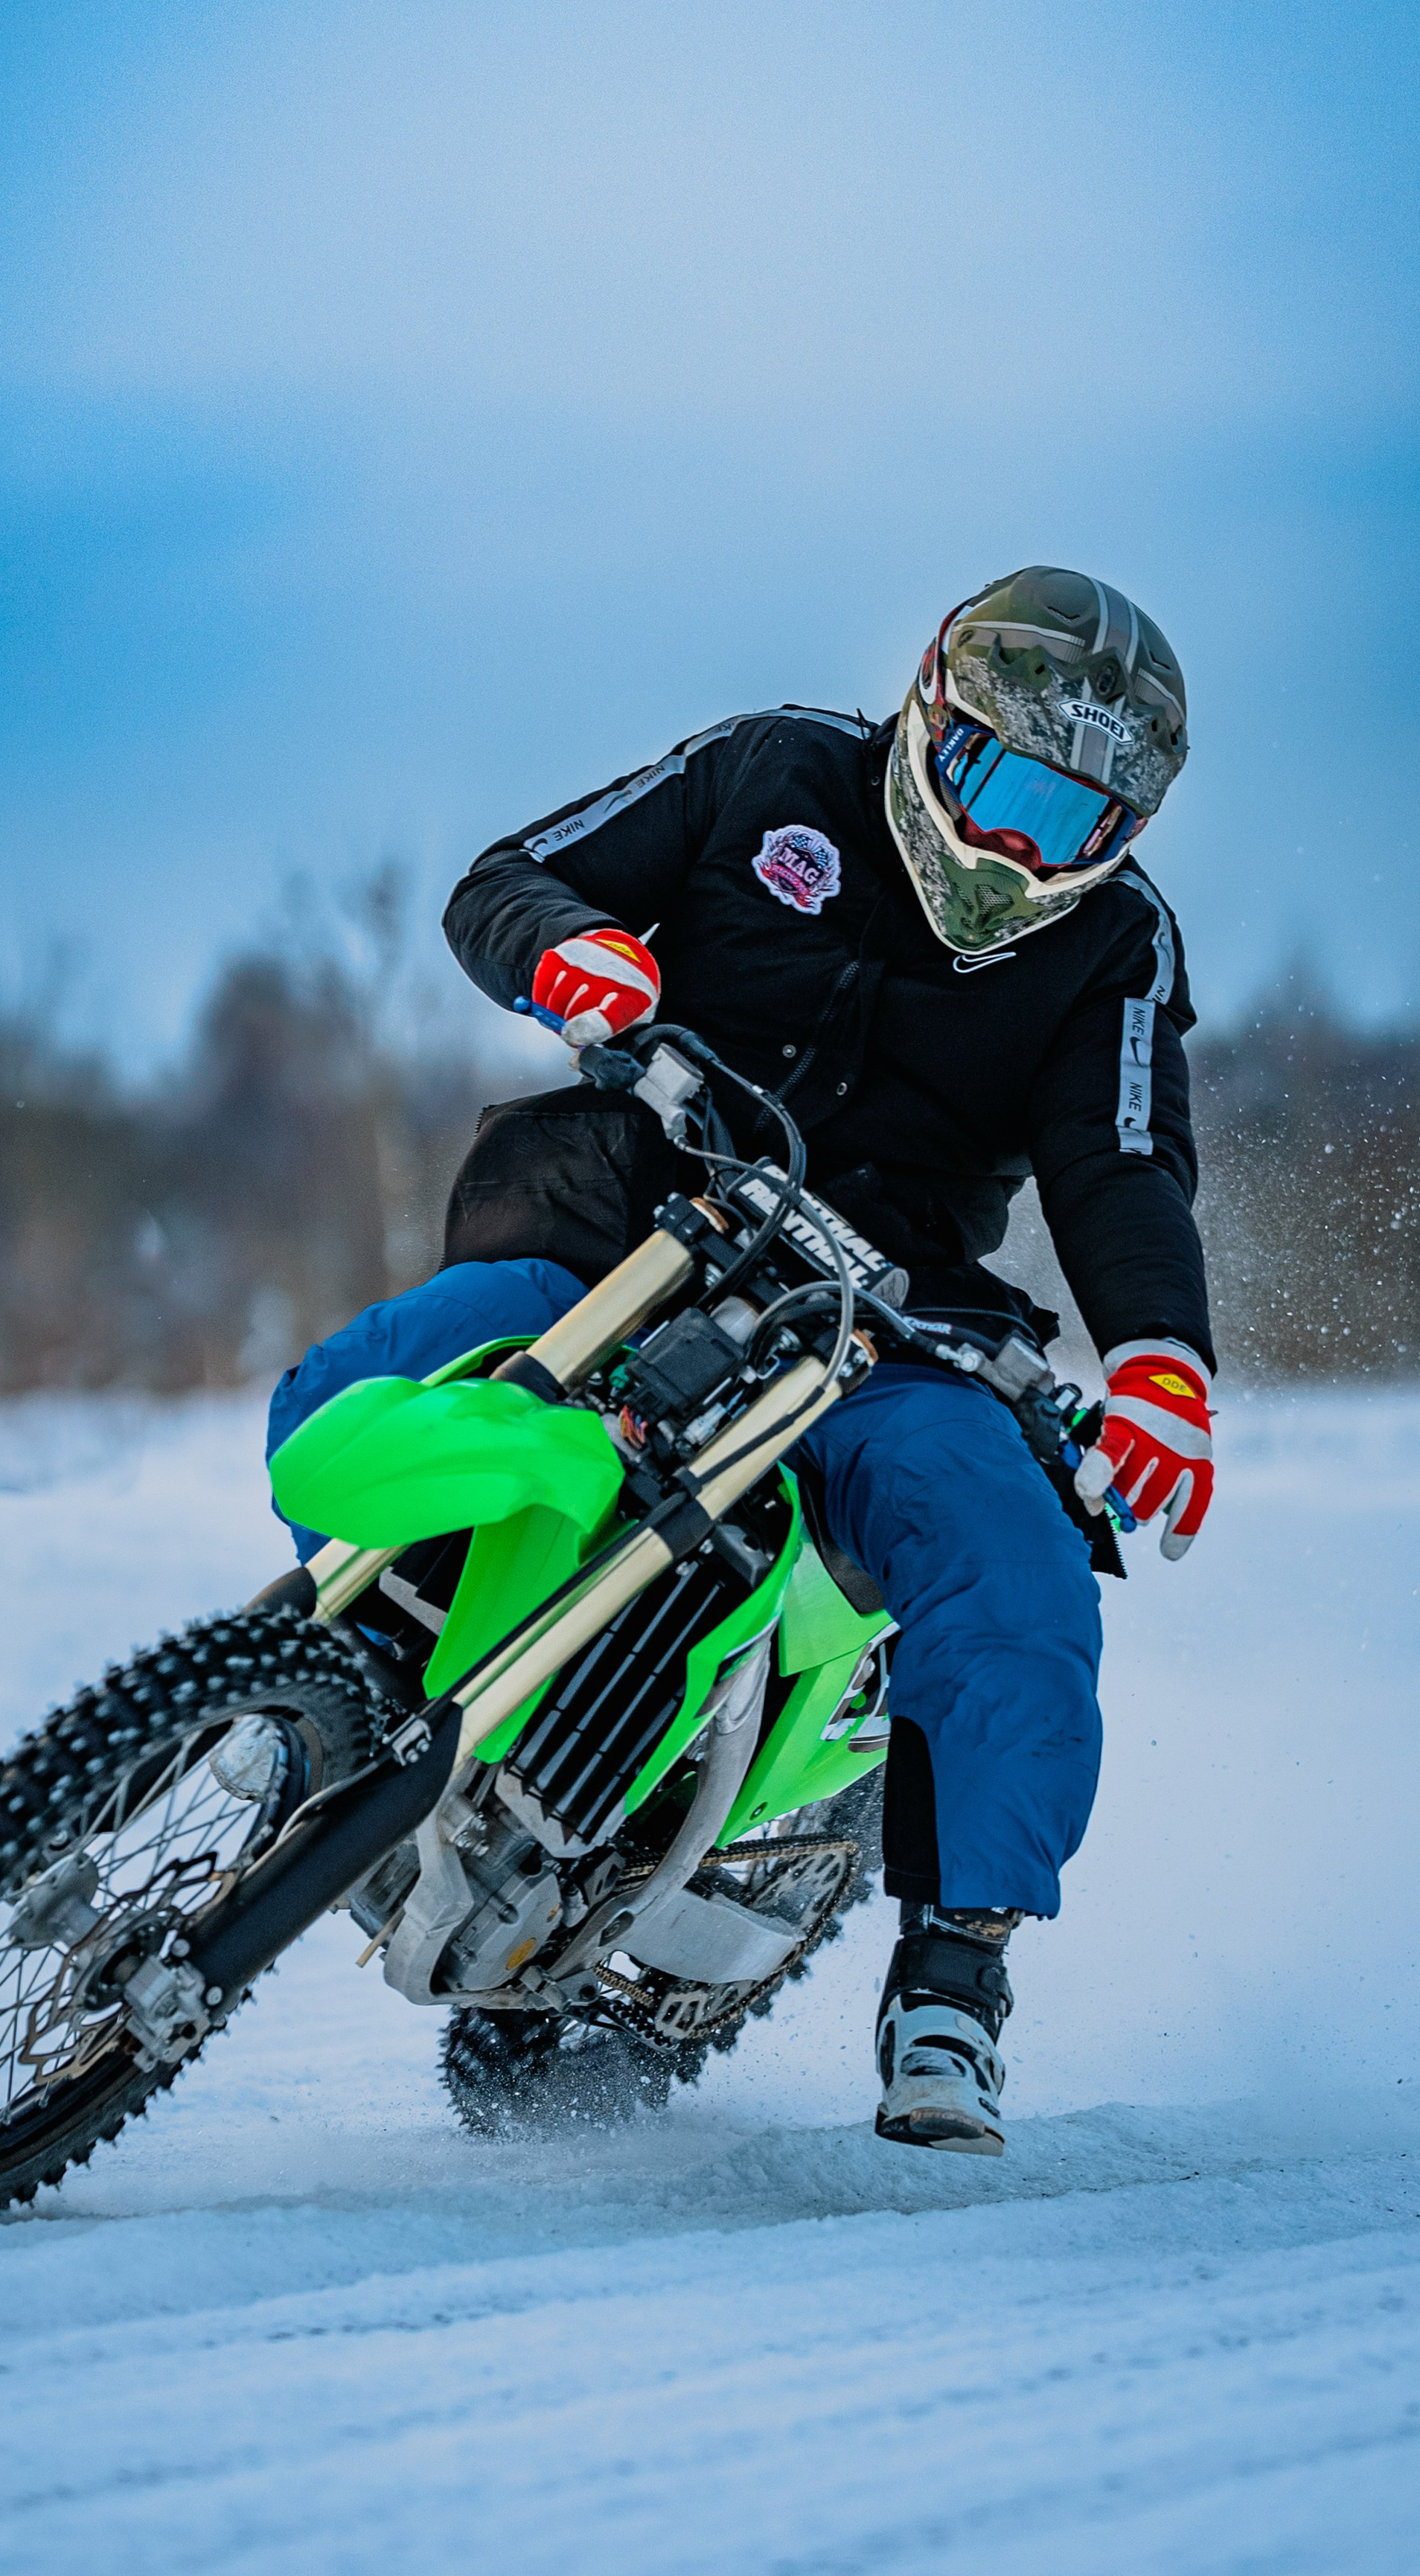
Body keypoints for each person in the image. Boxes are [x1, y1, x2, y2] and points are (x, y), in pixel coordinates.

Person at [266, 568, 1215, 2154]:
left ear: (1122, 835)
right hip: (632, 1220)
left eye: (1076, 819)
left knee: (1009, 1540)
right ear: (930, 717)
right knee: (380, 1382)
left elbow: (1125, 1162)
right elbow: (514, 875)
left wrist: (1163, 1360)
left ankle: (952, 1972)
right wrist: (570, 952)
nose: (1018, 847)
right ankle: (353, 1668)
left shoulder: (1113, 942)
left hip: (888, 1315)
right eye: (1002, 785)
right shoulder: (769, 769)